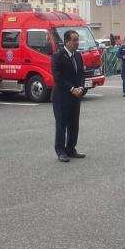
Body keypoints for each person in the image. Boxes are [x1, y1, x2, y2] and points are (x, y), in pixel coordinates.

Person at [51, 30, 86, 162]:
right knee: (61, 125)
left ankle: (71, 149)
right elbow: (57, 77)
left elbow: (82, 74)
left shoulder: (78, 56)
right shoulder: (57, 57)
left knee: (74, 124)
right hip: (61, 98)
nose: (77, 42)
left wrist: (81, 87)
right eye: (75, 40)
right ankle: (61, 151)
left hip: (75, 97)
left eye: (78, 40)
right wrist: (72, 89)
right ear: (67, 41)